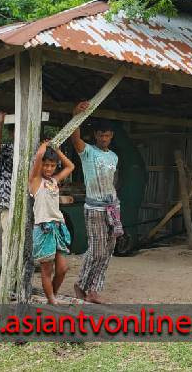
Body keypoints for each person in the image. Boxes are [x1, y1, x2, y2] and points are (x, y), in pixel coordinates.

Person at [71, 101, 123, 304]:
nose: (104, 138)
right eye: (101, 135)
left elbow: (113, 181)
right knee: (96, 249)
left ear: (111, 136)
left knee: (109, 249)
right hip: (93, 207)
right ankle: (81, 284)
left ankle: (93, 289)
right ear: (95, 136)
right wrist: (76, 115)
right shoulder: (87, 152)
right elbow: (75, 138)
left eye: (107, 135)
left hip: (112, 207)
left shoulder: (114, 157)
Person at [29, 140, 74, 305]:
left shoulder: (54, 181)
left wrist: (57, 151)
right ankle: (52, 299)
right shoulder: (35, 181)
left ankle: (52, 297)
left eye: (52, 165)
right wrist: (44, 146)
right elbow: (38, 158)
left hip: (57, 228)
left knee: (62, 269)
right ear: (40, 165)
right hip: (43, 230)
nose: (48, 168)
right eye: (46, 165)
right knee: (46, 271)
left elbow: (70, 167)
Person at [0, 112, 14, 249]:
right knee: (9, 244)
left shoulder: (32, 151)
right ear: (11, 133)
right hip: (8, 205)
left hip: (27, 206)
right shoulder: (6, 149)